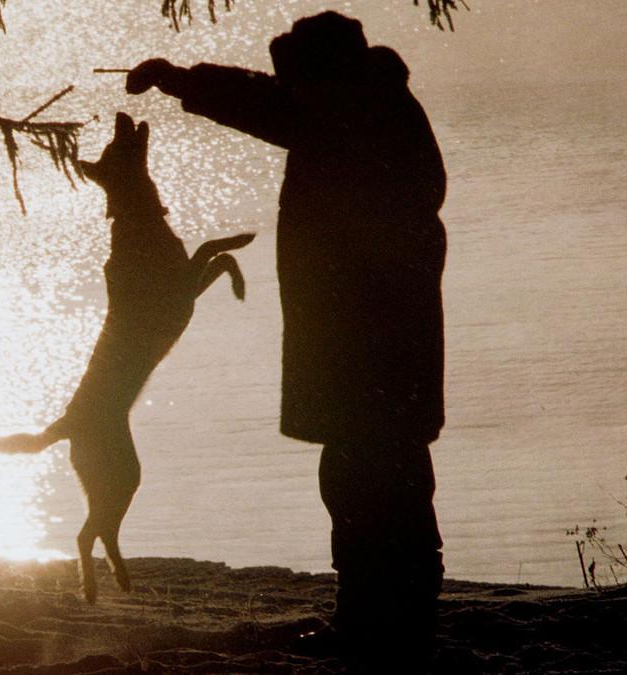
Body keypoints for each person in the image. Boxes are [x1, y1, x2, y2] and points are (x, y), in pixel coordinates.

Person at [125, 11, 447, 671]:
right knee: (364, 477)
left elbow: (278, 109)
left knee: (380, 481)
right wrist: (180, 80)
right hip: (357, 339)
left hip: (375, 343)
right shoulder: (343, 105)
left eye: (299, 82)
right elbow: (265, 103)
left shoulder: (364, 121)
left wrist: (354, 300)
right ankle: (376, 619)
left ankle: (390, 625)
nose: (289, 93)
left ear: (325, 77)